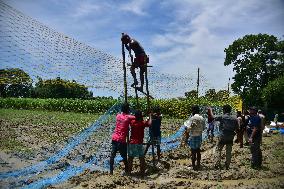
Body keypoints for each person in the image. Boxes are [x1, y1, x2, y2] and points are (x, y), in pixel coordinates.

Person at [209, 105, 238, 170]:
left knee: (218, 150)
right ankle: (227, 165)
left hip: (222, 135)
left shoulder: (222, 117)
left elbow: (213, 117)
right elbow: (237, 128)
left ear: (224, 110)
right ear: (230, 110)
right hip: (230, 136)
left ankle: (217, 164)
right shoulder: (234, 118)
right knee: (228, 151)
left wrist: (211, 110)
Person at [110, 103, 135, 175]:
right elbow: (137, 117)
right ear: (128, 109)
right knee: (124, 156)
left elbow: (123, 117)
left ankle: (111, 172)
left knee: (112, 155)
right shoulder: (128, 117)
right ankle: (127, 171)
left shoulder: (118, 116)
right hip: (121, 140)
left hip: (114, 138)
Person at [128, 110, 151, 176]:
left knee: (130, 158)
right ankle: (142, 173)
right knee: (141, 158)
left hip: (132, 142)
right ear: (141, 116)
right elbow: (149, 123)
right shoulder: (142, 123)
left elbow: (131, 118)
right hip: (139, 143)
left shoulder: (132, 122)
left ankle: (129, 172)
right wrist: (150, 116)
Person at [184, 105, 206, 170]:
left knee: (193, 152)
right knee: (198, 150)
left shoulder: (192, 118)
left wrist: (186, 138)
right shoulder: (202, 118)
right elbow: (204, 128)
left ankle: (193, 166)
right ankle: (198, 164)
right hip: (199, 136)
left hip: (193, 136)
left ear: (193, 111)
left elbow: (188, 129)